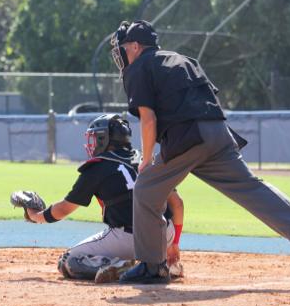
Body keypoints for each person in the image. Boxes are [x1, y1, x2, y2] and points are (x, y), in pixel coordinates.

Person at [110, 20, 290, 284]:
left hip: (187, 136)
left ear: (136, 46)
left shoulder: (139, 67)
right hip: (218, 133)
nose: (123, 54)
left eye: (124, 48)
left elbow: (148, 119)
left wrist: (146, 159)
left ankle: (153, 266)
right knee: (250, 187)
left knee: (146, 188)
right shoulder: (183, 59)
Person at [24, 114, 184, 283]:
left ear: (104, 139)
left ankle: (122, 265)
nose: (91, 144)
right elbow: (177, 204)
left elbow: (64, 209)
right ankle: (166, 264)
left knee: (69, 261)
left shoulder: (98, 166)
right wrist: (174, 243)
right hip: (164, 233)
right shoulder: (146, 160)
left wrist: (36, 216)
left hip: (128, 239)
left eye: (95, 138)